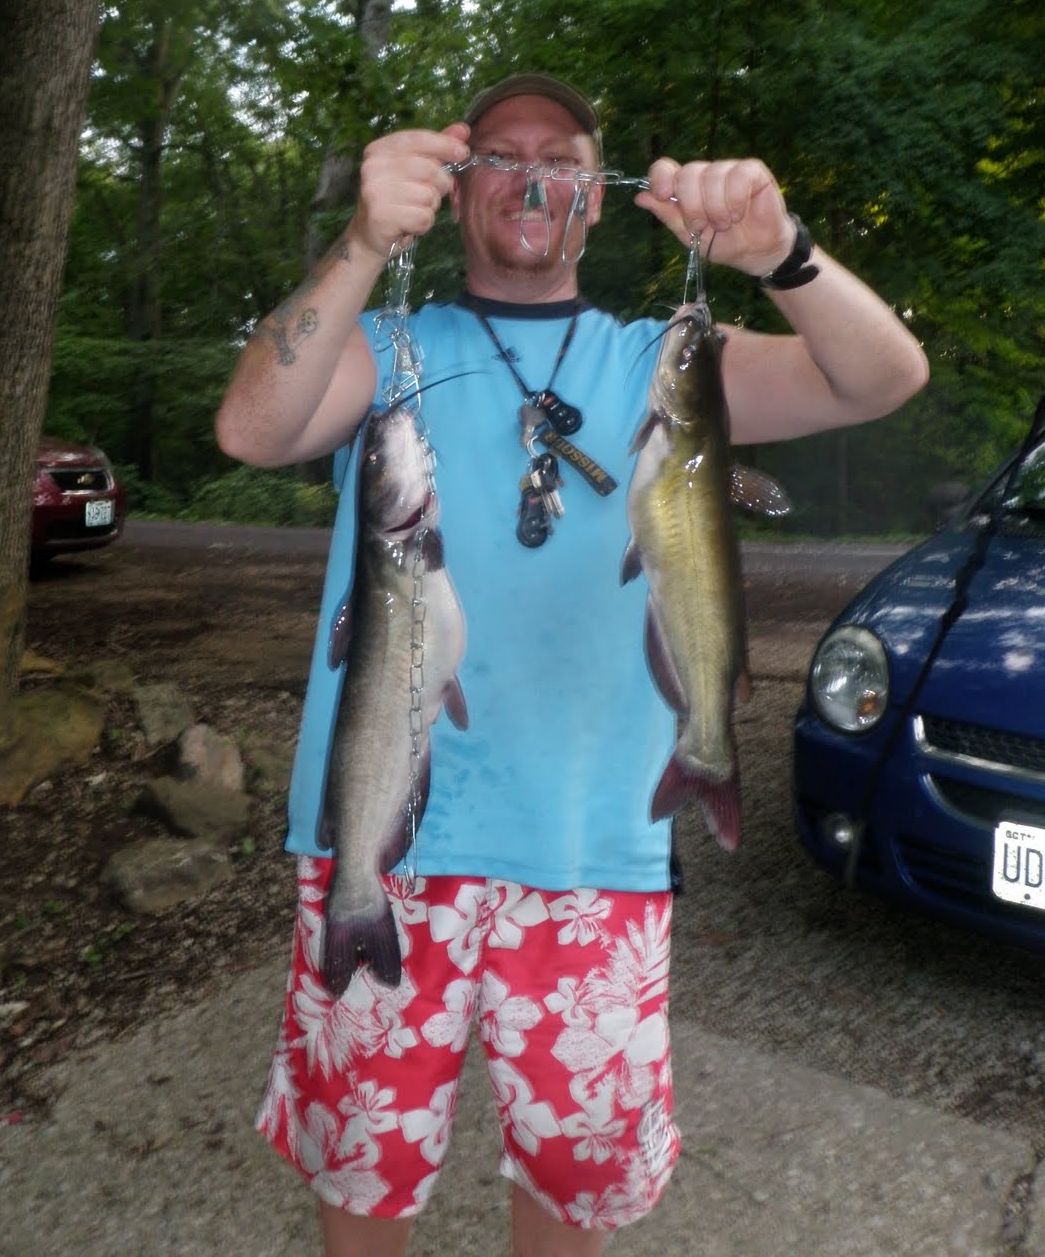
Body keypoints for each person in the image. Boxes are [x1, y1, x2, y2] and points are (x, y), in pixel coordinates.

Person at [216, 74, 929, 1256]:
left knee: (576, 1169)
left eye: (562, 157)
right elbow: (250, 429)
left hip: (594, 848)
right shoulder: (386, 351)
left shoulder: (668, 361)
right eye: (501, 153)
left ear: (595, 200)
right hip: (379, 839)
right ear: (458, 193)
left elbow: (884, 378)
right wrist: (361, 241)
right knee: (362, 1158)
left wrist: (781, 253)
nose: (533, 175)